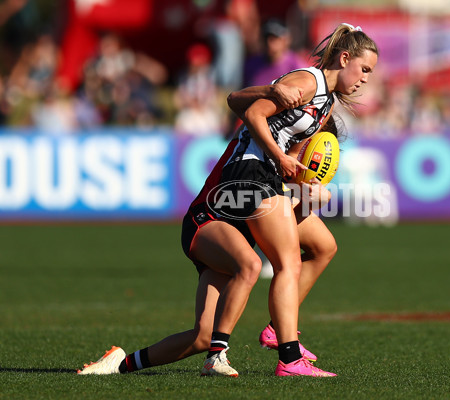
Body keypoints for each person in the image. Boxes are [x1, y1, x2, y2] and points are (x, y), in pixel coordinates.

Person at [77, 23, 378, 377]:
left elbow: (290, 160)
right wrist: (280, 154)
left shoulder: (324, 103)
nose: (366, 79)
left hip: (261, 184)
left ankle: (121, 364)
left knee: (320, 248)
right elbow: (251, 114)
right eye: (365, 69)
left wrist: (309, 186)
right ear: (345, 58)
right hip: (245, 179)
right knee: (283, 262)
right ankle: (288, 354)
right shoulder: (307, 82)